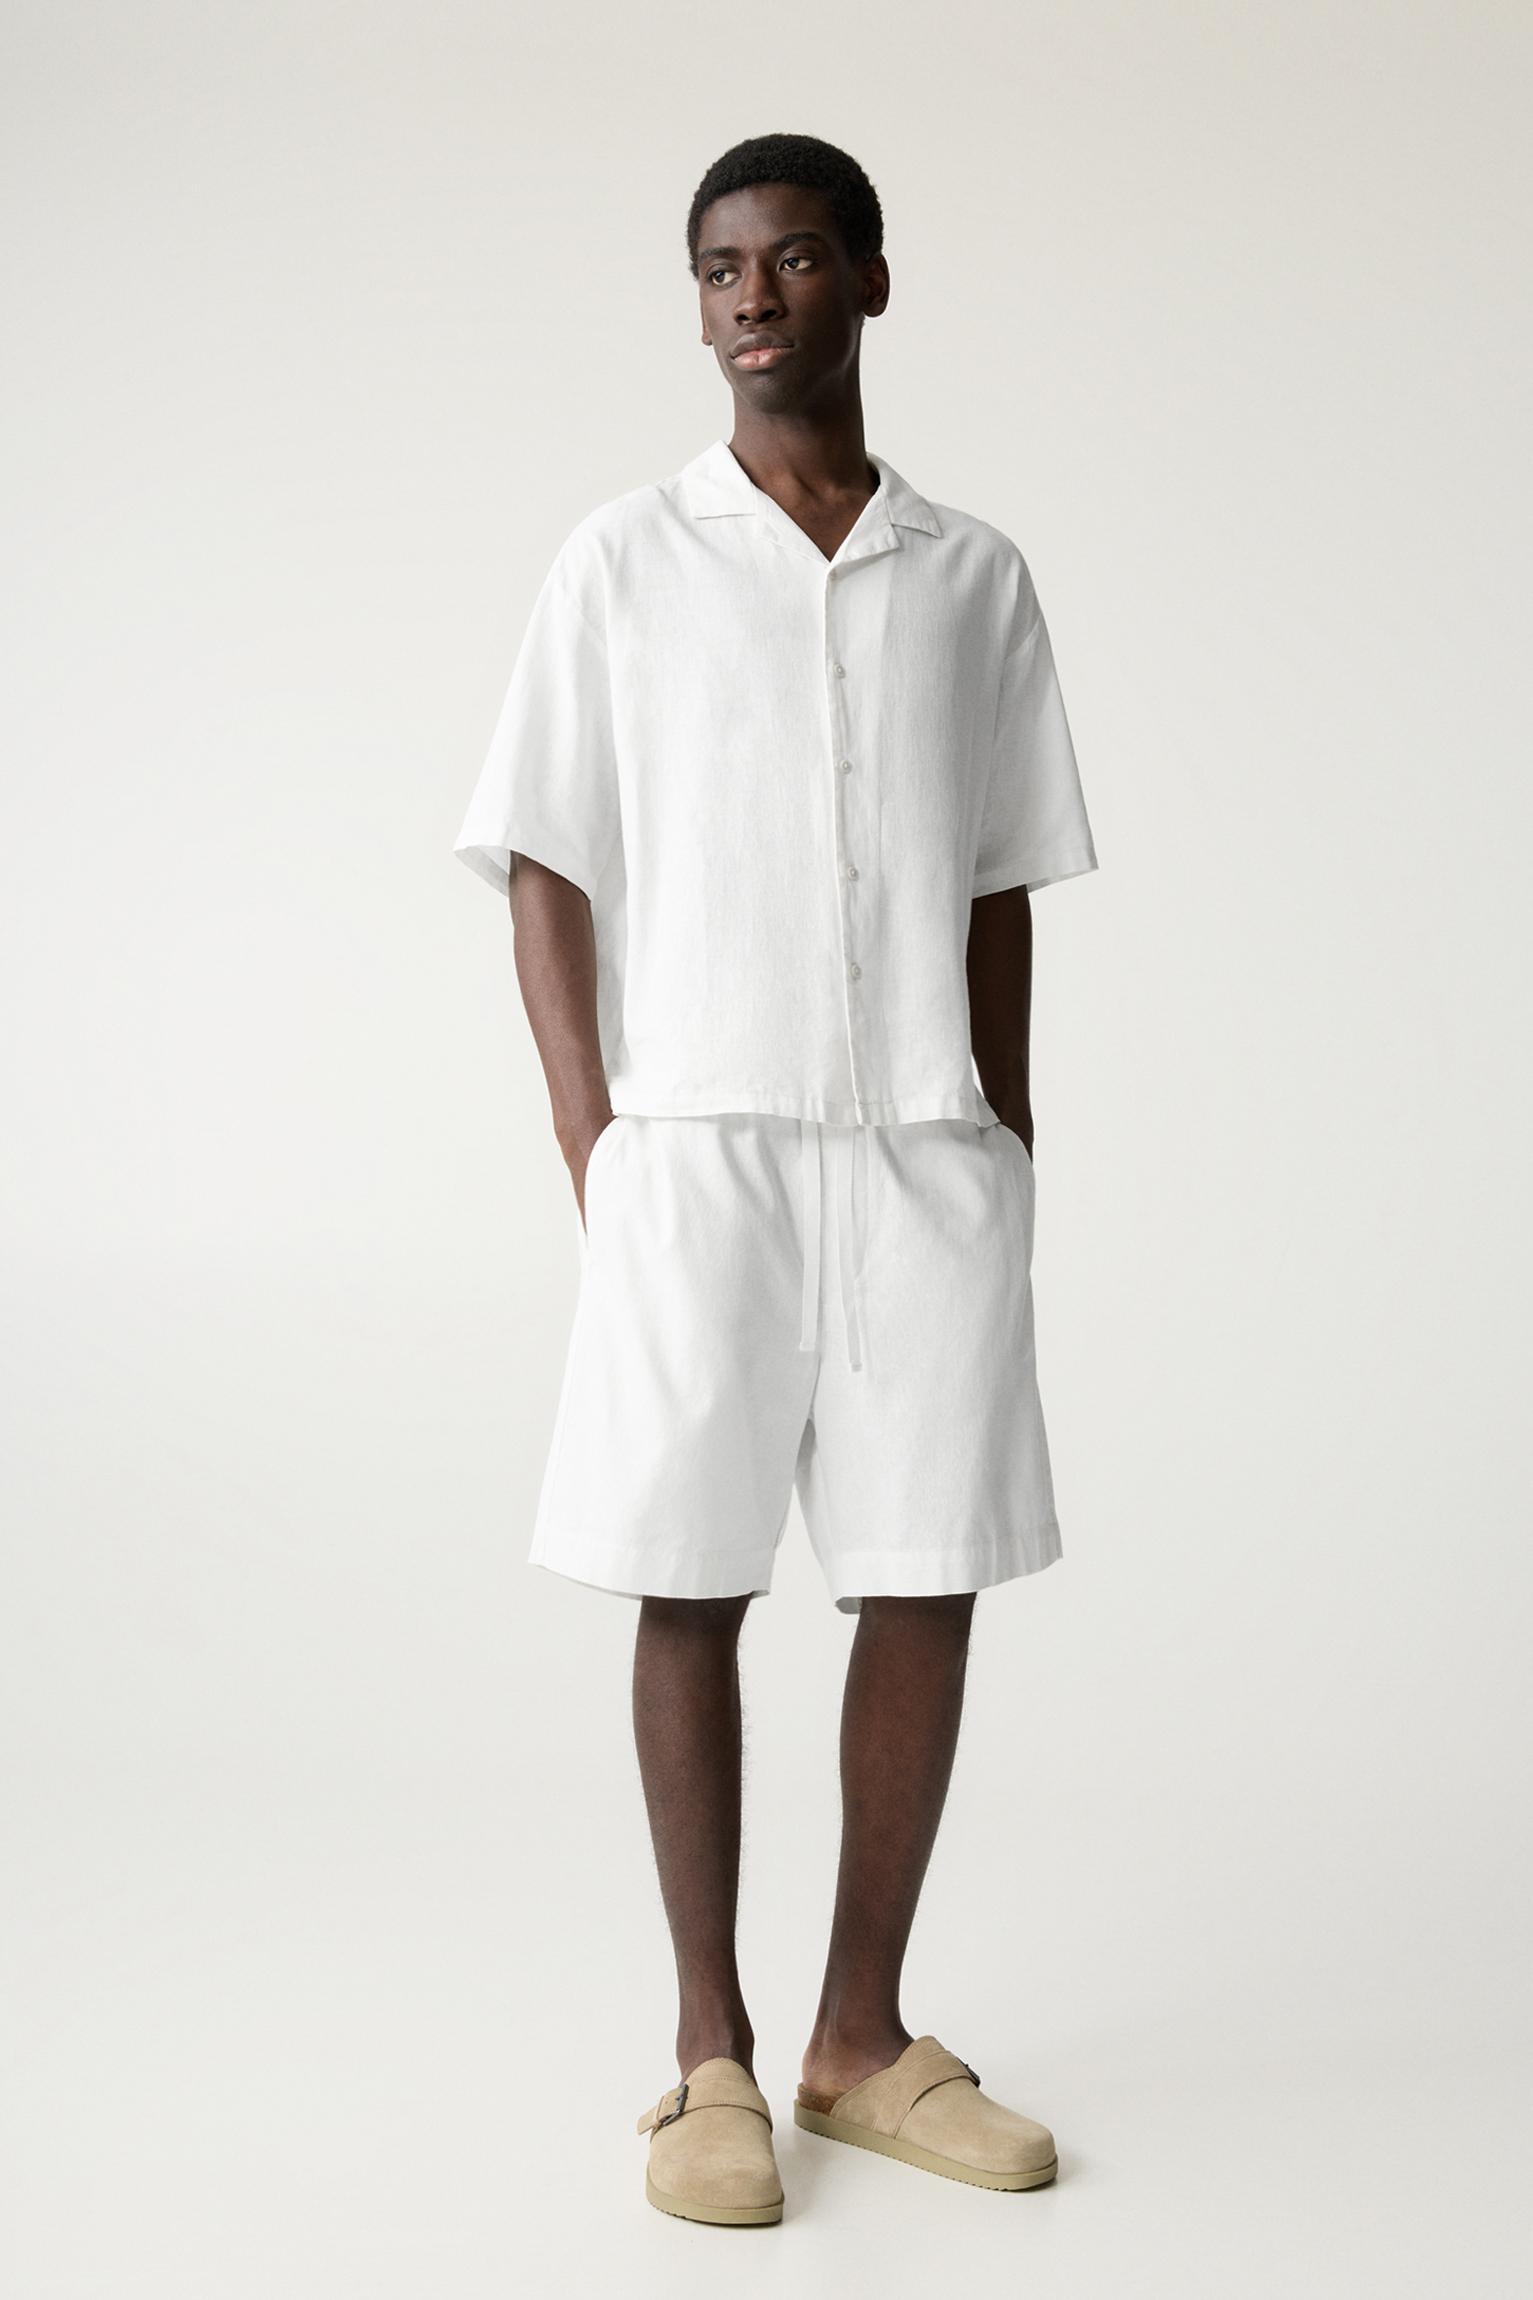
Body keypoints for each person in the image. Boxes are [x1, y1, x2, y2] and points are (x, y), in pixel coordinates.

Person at [454, 131, 1098, 2227]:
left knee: (923, 1572)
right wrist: (597, 1142)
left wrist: (1003, 1135)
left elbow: (998, 879)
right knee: (690, 1573)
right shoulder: (620, 562)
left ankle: (856, 2039)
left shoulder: (972, 576)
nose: (751, 296)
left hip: (921, 1150)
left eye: (795, 258)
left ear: (868, 282)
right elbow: (543, 860)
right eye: (720, 265)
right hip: (698, 1147)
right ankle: (706, 2054)